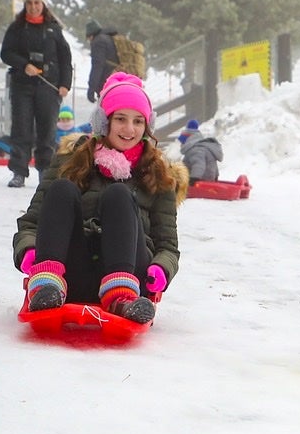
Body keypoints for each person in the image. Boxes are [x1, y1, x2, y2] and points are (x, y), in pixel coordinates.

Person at [12, 73, 179, 324]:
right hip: (72, 271)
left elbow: (167, 245)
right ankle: (46, 287)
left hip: (131, 273)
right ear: (104, 122)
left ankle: (121, 298)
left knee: (120, 195)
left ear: (147, 127)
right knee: (61, 189)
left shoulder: (159, 174)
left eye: (138, 121)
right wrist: (28, 250)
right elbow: (32, 223)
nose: (129, 129)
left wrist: (161, 269)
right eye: (120, 119)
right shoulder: (71, 161)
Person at [0, 0, 71, 189]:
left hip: (49, 85)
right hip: (22, 85)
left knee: (47, 129)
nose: (33, 7)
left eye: (37, 3)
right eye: (29, 3)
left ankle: (45, 170)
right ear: (25, 5)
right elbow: (6, 53)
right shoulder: (17, 27)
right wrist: (23, 65)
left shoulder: (54, 29)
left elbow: (66, 59)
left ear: (43, 5)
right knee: (21, 128)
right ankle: (19, 172)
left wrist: (66, 84)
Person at [177, 119, 223, 184]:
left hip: (201, 181)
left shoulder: (196, 150)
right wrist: (216, 176)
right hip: (208, 179)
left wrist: (193, 179)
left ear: (188, 140)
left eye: (182, 142)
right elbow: (212, 163)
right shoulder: (201, 146)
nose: (181, 145)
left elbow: (198, 165)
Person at [84, 19, 118, 103]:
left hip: (106, 84)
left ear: (91, 35)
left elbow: (97, 66)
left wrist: (91, 88)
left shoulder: (98, 42)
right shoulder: (108, 38)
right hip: (116, 80)